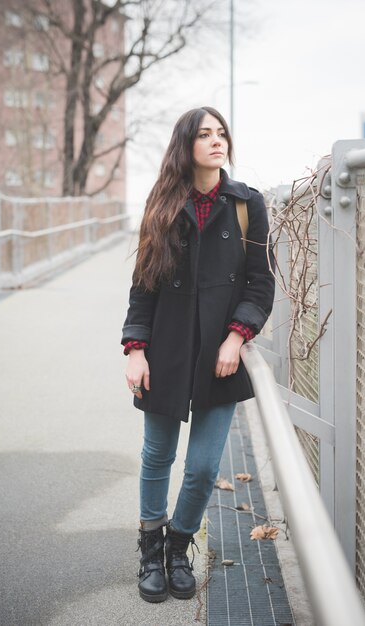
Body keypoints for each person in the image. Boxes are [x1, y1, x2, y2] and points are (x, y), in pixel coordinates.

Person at [121, 106, 275, 603]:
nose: (216, 140)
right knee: (158, 455)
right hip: (165, 350)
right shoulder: (162, 204)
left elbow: (260, 283)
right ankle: (149, 548)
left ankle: (178, 546)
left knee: (205, 466)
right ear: (186, 145)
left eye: (221, 132)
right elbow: (143, 285)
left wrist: (236, 337)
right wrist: (135, 349)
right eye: (204, 134)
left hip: (218, 353)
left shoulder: (248, 203)